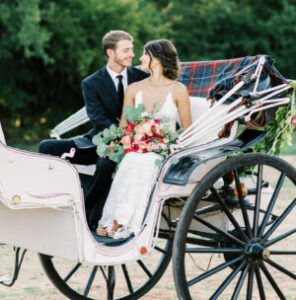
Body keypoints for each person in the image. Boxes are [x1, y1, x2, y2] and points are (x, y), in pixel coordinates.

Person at [38, 30, 149, 227]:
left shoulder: (141, 78)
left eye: (132, 49)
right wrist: (115, 138)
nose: (131, 54)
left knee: (106, 162)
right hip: (97, 140)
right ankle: (56, 200)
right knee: (47, 147)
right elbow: (98, 118)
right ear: (110, 52)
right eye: (126, 50)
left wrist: (125, 140)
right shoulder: (91, 83)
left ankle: (85, 210)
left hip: (134, 144)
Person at [96, 39, 192, 239]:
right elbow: (124, 127)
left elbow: (187, 130)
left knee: (141, 160)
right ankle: (111, 219)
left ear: (155, 59)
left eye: (144, 54)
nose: (139, 58)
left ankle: (124, 222)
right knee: (132, 158)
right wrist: (117, 143)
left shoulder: (178, 90)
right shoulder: (134, 89)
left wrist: (166, 141)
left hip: (163, 152)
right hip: (136, 148)